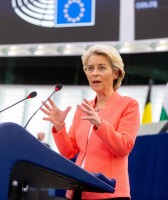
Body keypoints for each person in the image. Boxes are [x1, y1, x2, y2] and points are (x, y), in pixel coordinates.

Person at [40, 45, 140, 199]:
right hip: (77, 192)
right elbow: (68, 152)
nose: (94, 73)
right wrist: (59, 128)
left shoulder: (128, 105)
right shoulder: (83, 108)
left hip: (109, 193)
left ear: (116, 73)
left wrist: (99, 124)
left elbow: (124, 147)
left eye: (101, 68)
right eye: (90, 68)